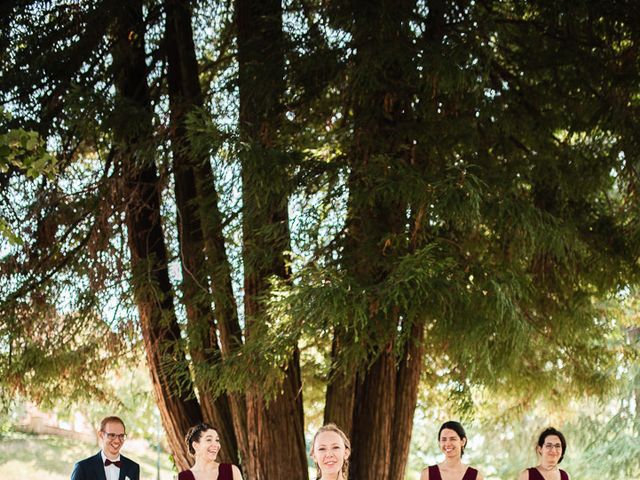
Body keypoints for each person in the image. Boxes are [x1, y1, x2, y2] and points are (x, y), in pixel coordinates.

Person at [71, 415, 140, 480]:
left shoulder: (133, 468)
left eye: (121, 436)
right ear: (101, 435)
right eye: (112, 435)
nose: (117, 440)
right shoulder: (82, 468)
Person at [420, 420, 484, 480]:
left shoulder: (476, 476)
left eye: (453, 439)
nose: (447, 444)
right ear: (439, 442)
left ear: (463, 441)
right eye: (444, 439)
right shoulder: (427, 474)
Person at [178, 422, 243, 480]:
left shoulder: (232, 471)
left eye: (217, 440)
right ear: (195, 446)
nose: (216, 445)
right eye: (209, 440)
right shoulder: (181, 478)